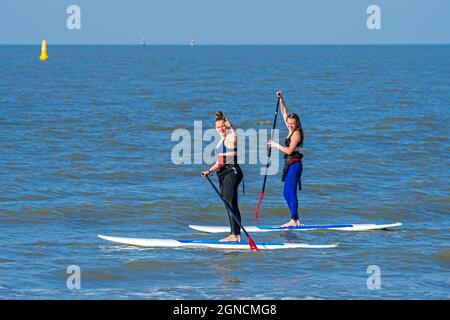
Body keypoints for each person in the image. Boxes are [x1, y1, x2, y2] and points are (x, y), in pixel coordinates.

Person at [201, 111, 244, 242]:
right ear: (215, 128)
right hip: (225, 173)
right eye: (218, 127)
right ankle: (236, 234)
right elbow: (219, 162)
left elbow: (235, 138)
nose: (221, 129)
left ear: (226, 125)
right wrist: (209, 171)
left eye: (223, 126)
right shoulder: (220, 141)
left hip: (233, 172)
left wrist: (232, 127)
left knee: (230, 203)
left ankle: (235, 235)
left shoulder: (230, 138)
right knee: (230, 203)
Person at [268, 91, 304, 227]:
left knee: (291, 192)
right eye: (288, 123)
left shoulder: (296, 134)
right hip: (290, 165)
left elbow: (289, 151)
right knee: (285, 193)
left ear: (297, 124)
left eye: (292, 123)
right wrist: (281, 99)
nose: (289, 125)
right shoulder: (290, 129)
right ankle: (295, 218)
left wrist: (275, 144)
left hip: (295, 165)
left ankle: (294, 220)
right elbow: (284, 114)